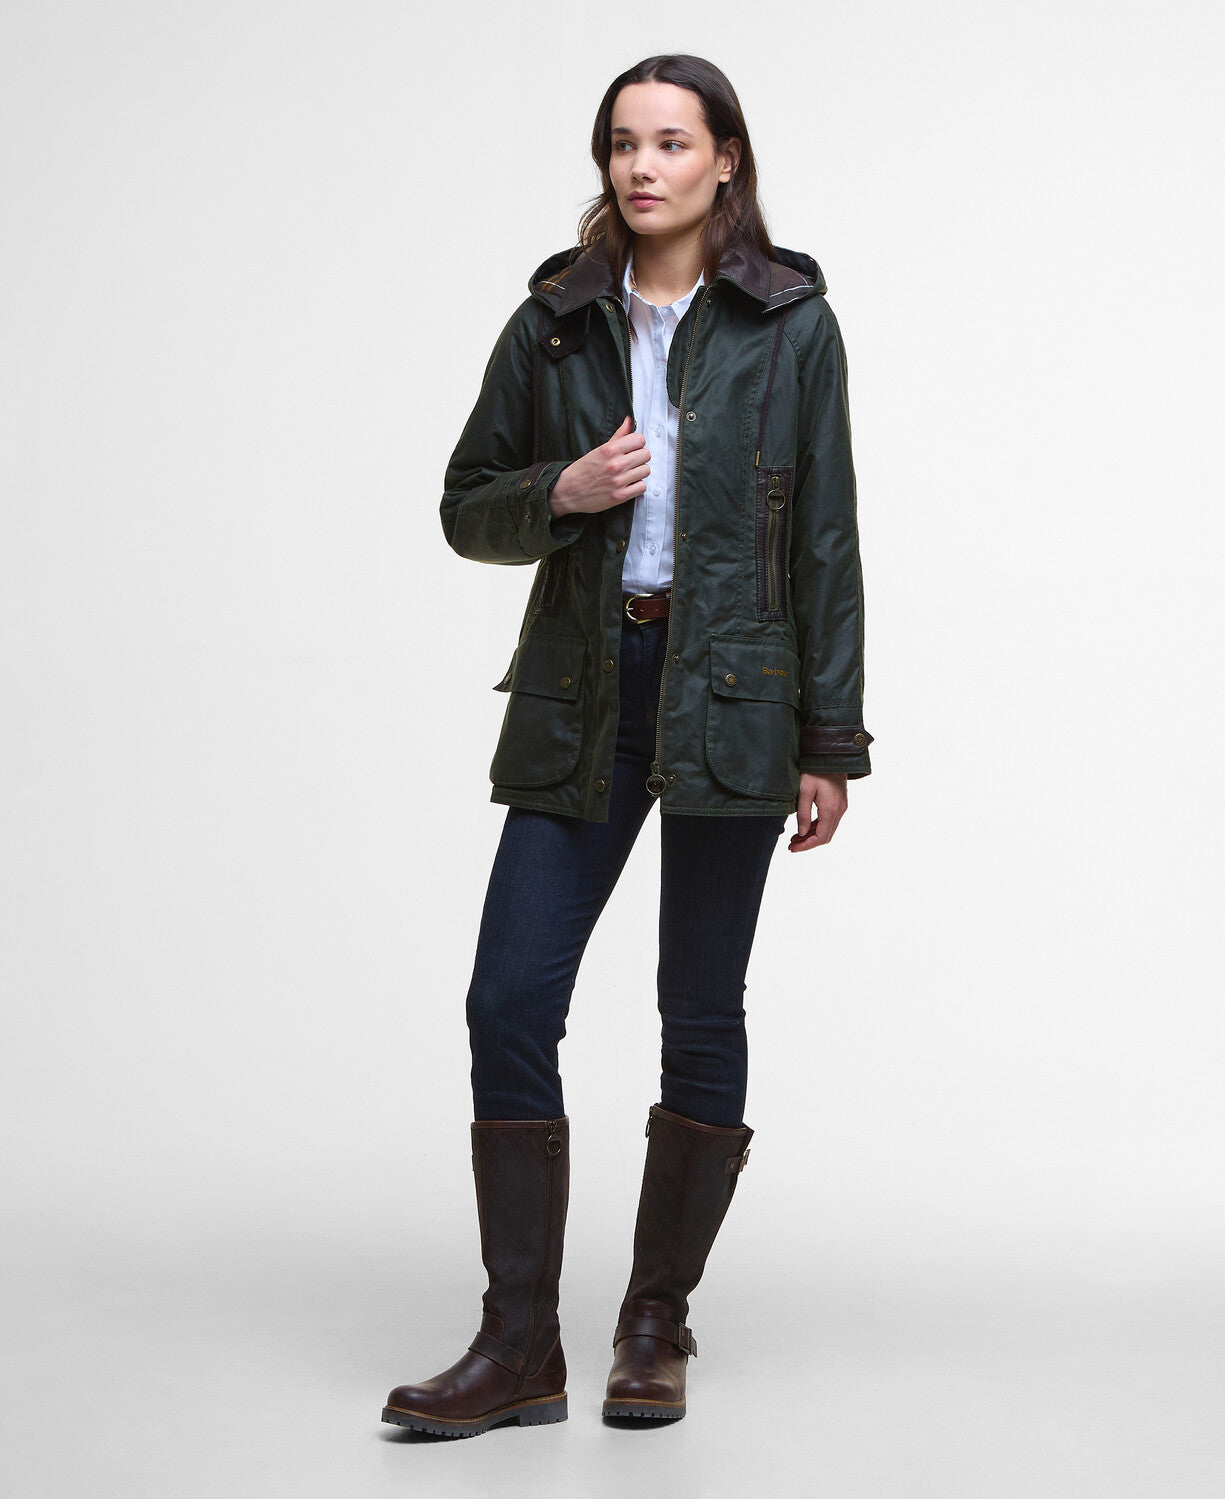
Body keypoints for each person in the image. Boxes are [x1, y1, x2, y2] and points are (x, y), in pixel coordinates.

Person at [381, 53, 872, 1438]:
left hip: (733, 695)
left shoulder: (791, 325)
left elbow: (826, 540)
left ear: (726, 158)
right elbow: (466, 505)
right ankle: (518, 1343)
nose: (642, 167)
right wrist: (567, 487)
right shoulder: (554, 321)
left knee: (697, 1006)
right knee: (507, 997)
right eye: (621, 144)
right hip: (583, 688)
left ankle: (654, 1322)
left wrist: (828, 738)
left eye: (670, 142)